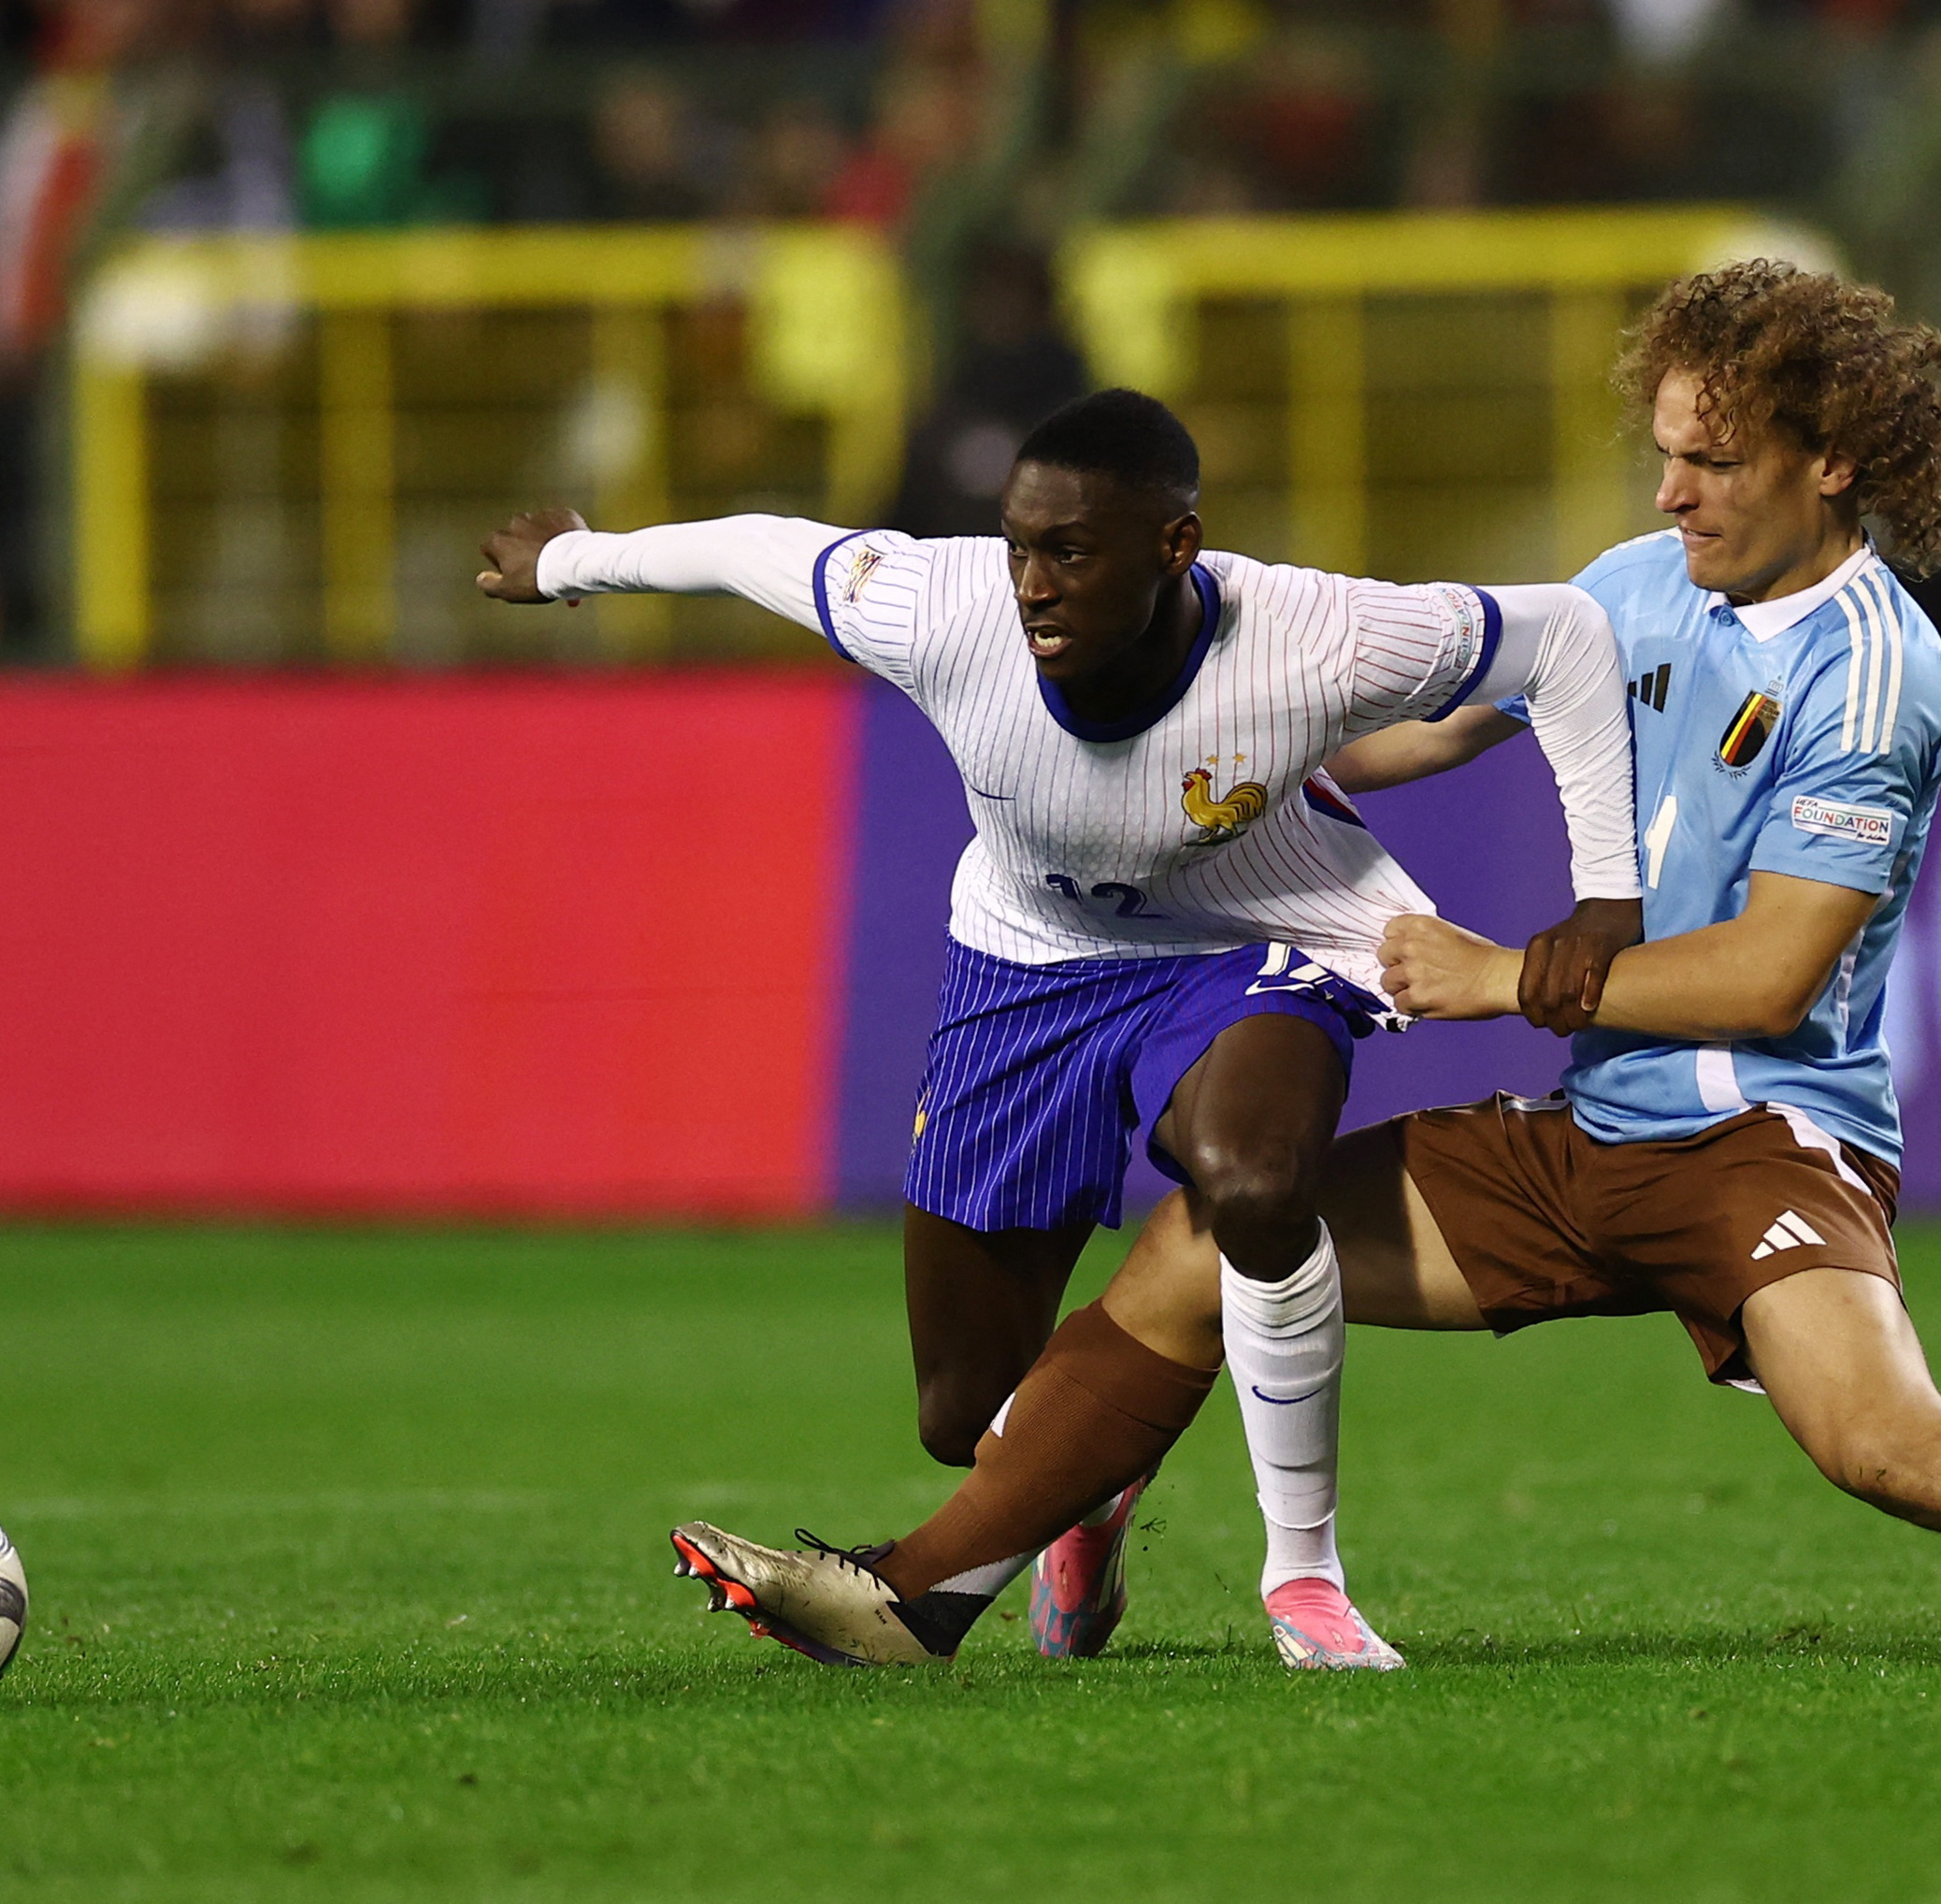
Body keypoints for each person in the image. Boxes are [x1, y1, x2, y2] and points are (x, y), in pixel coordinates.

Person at [663, 265, 1941, 1675]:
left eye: (1712, 457)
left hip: (1766, 1138)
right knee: (1207, 1241)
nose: (1672, 486)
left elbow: (1770, 973)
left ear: (1825, 463)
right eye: (1665, 449)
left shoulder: (1873, 671)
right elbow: (1421, 726)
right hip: (1582, 1133)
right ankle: (921, 1591)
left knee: (1885, 1443)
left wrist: (1500, 973)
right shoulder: (1637, 577)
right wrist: (1244, 761)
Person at [476, 387, 1644, 1669]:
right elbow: (758, 548)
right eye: (1021, 544)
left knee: (1254, 1179)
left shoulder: (1313, 632)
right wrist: (572, 564)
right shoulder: (937, 605)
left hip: (1259, 937)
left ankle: (1302, 1580)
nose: (1032, 583)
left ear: (1174, 549)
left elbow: (1566, 639)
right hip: (1029, 969)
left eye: (1071, 552)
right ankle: (1090, 1485)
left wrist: (1603, 901)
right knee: (967, 1416)